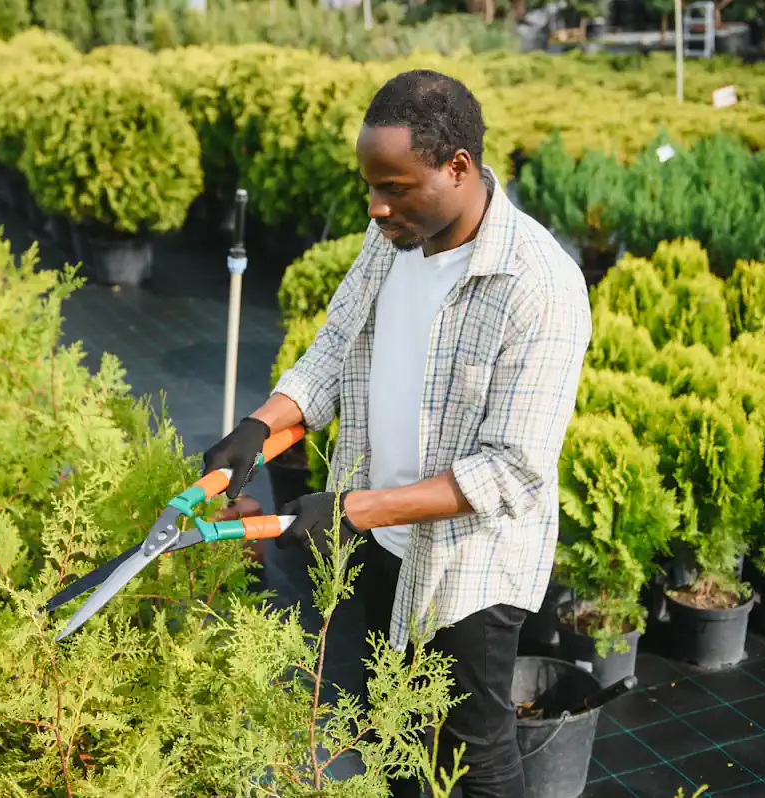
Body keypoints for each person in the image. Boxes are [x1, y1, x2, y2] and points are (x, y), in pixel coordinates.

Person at [202, 69, 592, 797]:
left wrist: (352, 509)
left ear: (457, 168)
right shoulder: (395, 237)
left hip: (467, 565)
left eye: (395, 187)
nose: (377, 207)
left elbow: (512, 468)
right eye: (370, 188)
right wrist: (261, 424)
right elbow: (336, 345)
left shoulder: (538, 286)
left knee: (475, 748)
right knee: (390, 722)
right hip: (386, 539)